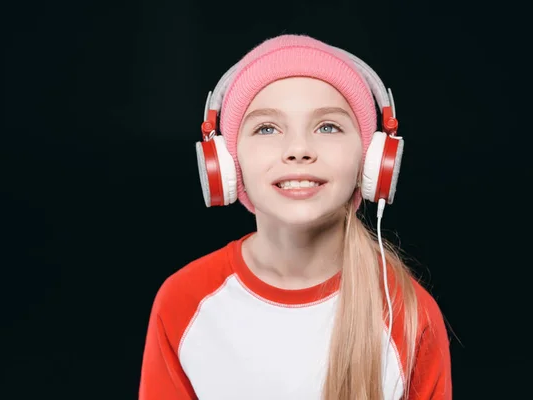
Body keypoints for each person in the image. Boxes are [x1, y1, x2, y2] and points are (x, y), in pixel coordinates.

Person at [139, 34, 452, 400]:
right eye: (267, 128)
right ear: (227, 163)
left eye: (328, 127)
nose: (299, 150)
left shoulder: (410, 315)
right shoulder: (184, 301)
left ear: (371, 161)